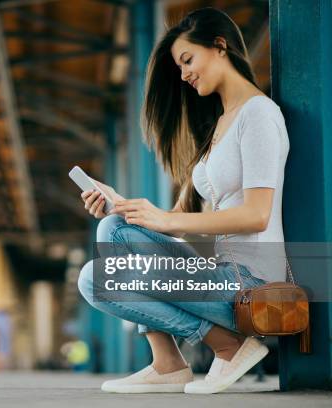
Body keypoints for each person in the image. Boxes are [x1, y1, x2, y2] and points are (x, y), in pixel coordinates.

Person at [77, 7, 289, 394]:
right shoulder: (220, 125)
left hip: (252, 284)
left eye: (188, 60)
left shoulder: (258, 114)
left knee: (95, 278)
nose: (185, 74)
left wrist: (165, 221)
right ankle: (168, 363)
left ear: (219, 46)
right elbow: (174, 219)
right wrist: (122, 205)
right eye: (180, 67)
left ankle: (228, 345)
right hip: (221, 272)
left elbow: (258, 215)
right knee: (114, 227)